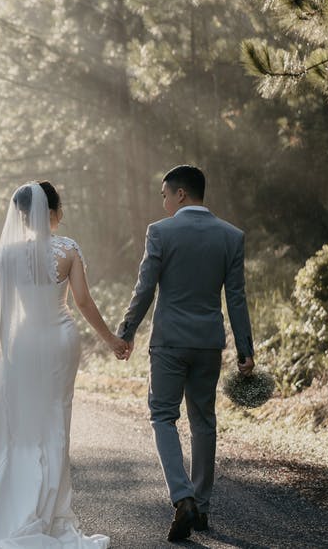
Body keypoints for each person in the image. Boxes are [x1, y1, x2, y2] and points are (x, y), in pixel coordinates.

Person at [0, 181, 126, 549]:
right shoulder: (68, 249)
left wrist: (4, 354)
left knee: (23, 427)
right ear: (53, 213)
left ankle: (21, 504)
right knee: (55, 424)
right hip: (60, 341)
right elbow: (82, 301)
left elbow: (2, 314)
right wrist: (111, 339)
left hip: (24, 343)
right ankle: (50, 511)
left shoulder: (7, 254)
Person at [117, 165, 254, 542]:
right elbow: (236, 297)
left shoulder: (161, 232)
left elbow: (145, 288)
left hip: (170, 341)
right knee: (203, 420)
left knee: (163, 416)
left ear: (180, 194)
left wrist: (126, 331)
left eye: (164, 194)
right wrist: (246, 348)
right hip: (209, 342)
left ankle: (182, 497)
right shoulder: (231, 236)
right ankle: (203, 506)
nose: (162, 202)